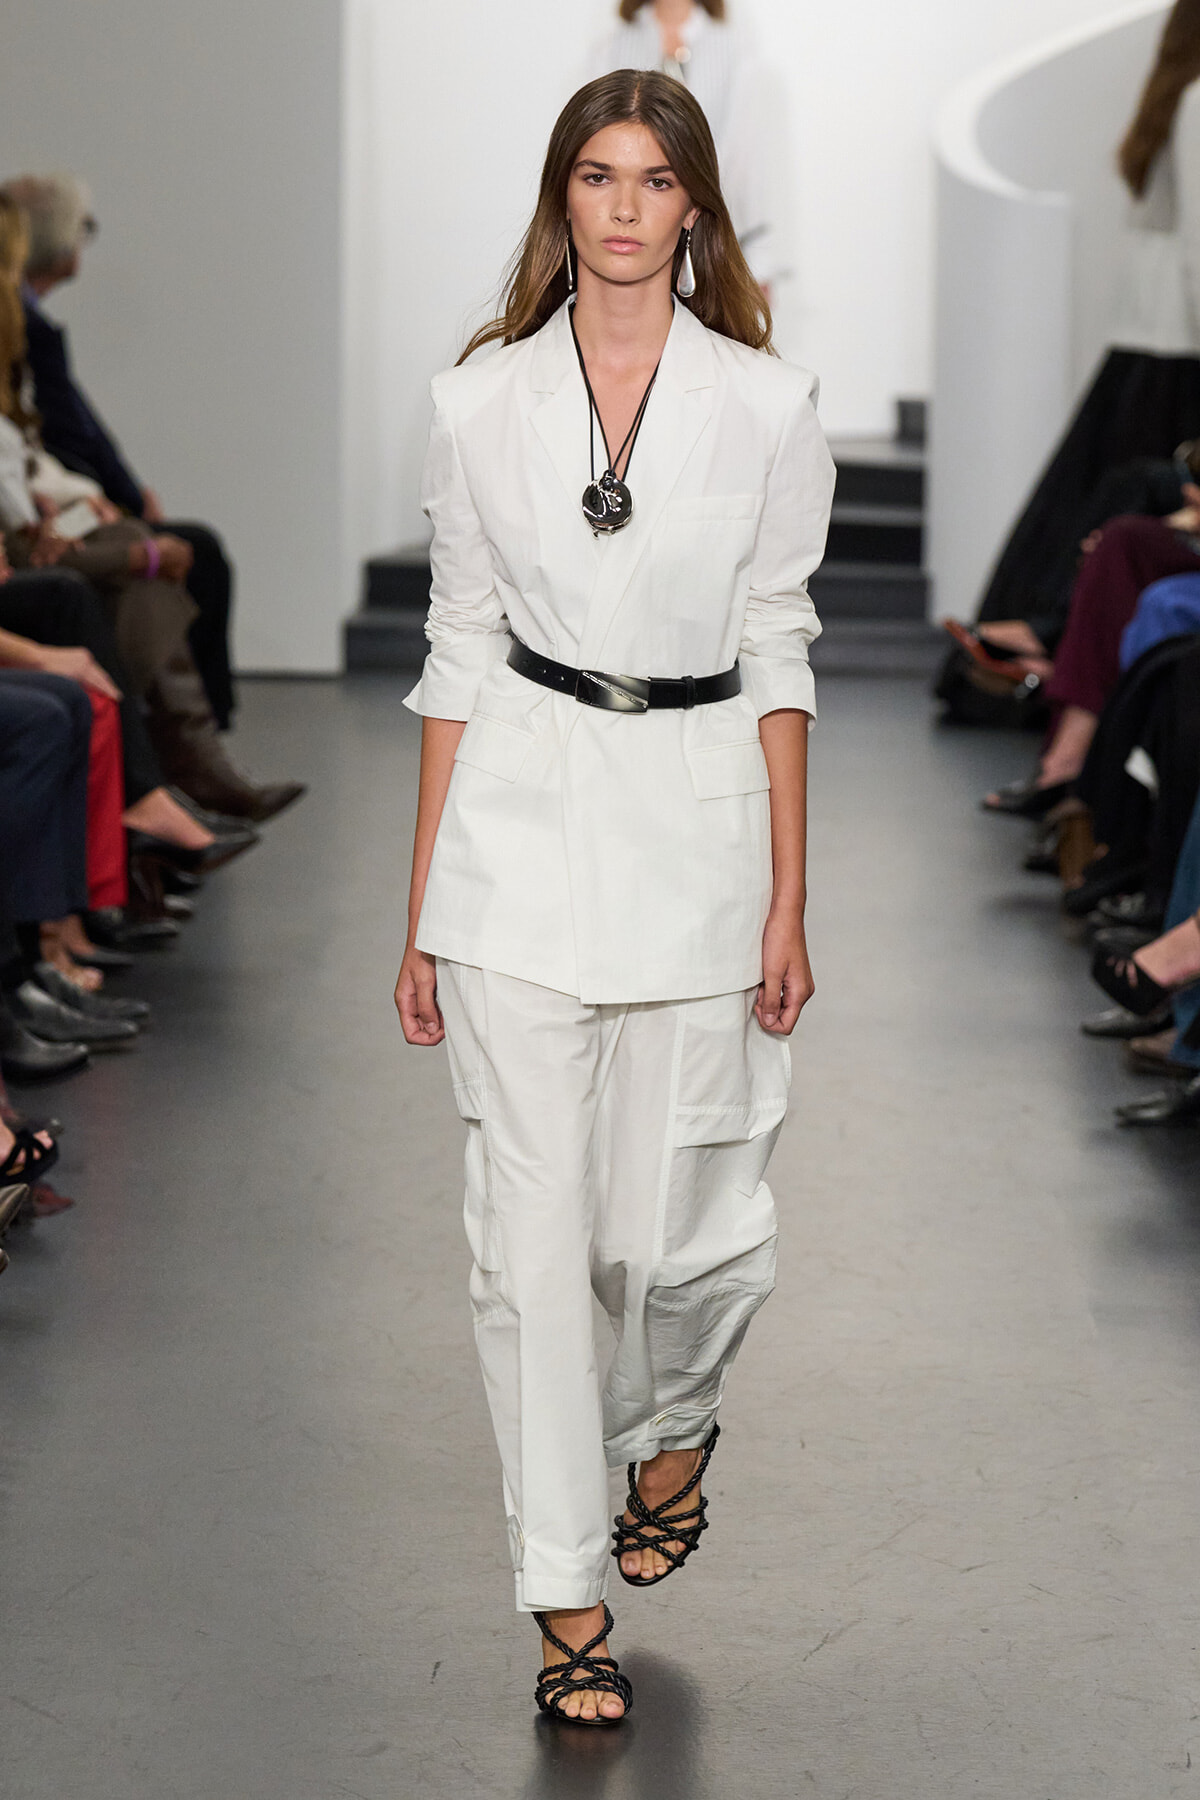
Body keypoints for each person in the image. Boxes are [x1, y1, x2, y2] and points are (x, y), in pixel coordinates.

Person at [393, 70, 833, 1724]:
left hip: (700, 828)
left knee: (671, 1237)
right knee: (530, 1241)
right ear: (561, 198)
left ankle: (676, 1419)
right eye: (598, 175)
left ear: (694, 205)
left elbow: (780, 643)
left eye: (655, 178)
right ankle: (563, 1594)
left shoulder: (770, 406)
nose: (626, 205)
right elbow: (455, 649)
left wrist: (790, 897)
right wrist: (422, 908)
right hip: (516, 825)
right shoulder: (475, 403)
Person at [975, 0, 1200, 631]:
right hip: (1180, 346)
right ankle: (1058, 642)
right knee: (1141, 516)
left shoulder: (1176, 96)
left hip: (1151, 342)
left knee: (1103, 507)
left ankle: (1048, 639)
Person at [0, 172, 236, 729]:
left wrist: (98, 500)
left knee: (156, 548)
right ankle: (180, 746)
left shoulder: (27, 329)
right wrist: (107, 500)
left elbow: (43, 451)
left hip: (43, 515)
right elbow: (60, 446)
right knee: (161, 555)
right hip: (29, 531)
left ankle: (179, 746)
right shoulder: (25, 330)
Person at [589, 0, 789, 294]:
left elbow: (747, 161)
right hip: (629, 241)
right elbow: (593, 151)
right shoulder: (612, 48)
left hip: (714, 243)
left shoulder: (734, 52)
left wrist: (759, 257)